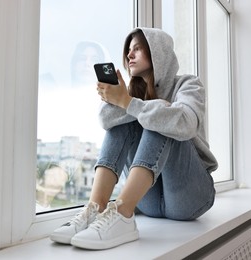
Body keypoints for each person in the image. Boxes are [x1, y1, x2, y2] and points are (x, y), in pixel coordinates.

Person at [49, 27, 218, 250]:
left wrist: (130, 104)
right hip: (148, 202)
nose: (129, 55)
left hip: (192, 197)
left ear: (158, 52)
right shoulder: (132, 92)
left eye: (137, 49)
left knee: (161, 117)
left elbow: (186, 123)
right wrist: (121, 99)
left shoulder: (188, 84)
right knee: (124, 121)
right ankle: (96, 209)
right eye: (129, 50)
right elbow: (106, 121)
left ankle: (123, 213)